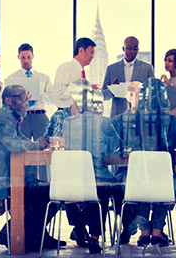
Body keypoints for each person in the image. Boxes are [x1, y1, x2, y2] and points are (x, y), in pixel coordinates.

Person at [0, 85, 63, 253]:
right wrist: (37, 144)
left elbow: (21, 140)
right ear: (9, 100)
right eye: (23, 98)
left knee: (49, 194)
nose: (26, 103)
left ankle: (37, 236)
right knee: (49, 194)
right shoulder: (3, 118)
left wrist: (39, 142)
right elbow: (14, 145)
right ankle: (11, 233)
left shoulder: (10, 118)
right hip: (2, 179)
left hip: (12, 176)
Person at [112, 78, 176, 249]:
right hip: (164, 181)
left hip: (136, 179)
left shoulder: (127, 120)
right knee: (161, 183)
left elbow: (117, 147)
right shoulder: (171, 120)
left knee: (142, 180)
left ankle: (144, 232)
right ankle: (157, 231)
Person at [60, 78, 123, 254]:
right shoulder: (103, 122)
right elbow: (115, 147)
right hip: (97, 179)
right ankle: (95, 238)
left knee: (89, 193)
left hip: (72, 181)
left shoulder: (67, 123)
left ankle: (80, 226)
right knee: (104, 192)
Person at [7, 43, 53, 139]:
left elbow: (52, 99)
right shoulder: (12, 78)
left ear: (33, 56)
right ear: (18, 57)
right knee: (21, 150)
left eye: (29, 57)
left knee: (43, 149)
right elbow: (9, 102)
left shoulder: (44, 77)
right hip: (22, 118)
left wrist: (38, 93)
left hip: (40, 116)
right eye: (23, 57)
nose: (26, 60)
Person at [102, 36, 155, 118]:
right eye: (129, 48)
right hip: (117, 117)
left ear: (138, 50)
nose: (132, 52)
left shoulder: (147, 68)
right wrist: (112, 89)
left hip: (140, 117)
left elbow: (153, 93)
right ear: (123, 49)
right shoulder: (111, 69)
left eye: (135, 49)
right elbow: (103, 96)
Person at [53, 37, 98, 111]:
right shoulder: (65, 67)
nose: (93, 56)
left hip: (80, 114)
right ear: (81, 51)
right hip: (66, 113)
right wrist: (82, 87)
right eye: (91, 52)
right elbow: (58, 92)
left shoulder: (82, 72)